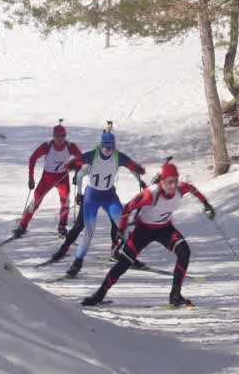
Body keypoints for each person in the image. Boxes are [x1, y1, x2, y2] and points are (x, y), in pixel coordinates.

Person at [82, 162, 215, 308]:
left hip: (165, 229)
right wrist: (121, 229)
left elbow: (192, 189)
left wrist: (206, 203)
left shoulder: (180, 188)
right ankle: (99, 294)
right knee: (124, 263)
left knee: (184, 252)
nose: (172, 186)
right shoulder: (150, 194)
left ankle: (175, 296)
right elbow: (127, 208)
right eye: (169, 182)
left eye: (175, 181)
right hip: (143, 230)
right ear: (162, 182)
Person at [66, 127, 145, 277]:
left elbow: (132, 166)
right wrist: (73, 170)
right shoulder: (92, 155)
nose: (108, 150)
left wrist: (140, 179)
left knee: (124, 226)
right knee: (89, 233)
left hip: (109, 196)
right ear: (101, 145)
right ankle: (77, 263)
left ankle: (131, 257)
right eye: (105, 147)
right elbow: (78, 164)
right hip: (92, 197)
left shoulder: (118, 156)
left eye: (110, 147)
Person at [12, 121, 81, 238]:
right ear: (53, 136)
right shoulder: (47, 146)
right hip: (47, 177)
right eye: (57, 136)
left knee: (65, 202)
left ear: (65, 136)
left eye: (62, 136)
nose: (60, 139)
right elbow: (33, 158)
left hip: (62, 177)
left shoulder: (70, 147)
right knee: (36, 201)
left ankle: (62, 226)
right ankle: (22, 226)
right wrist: (31, 177)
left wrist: (76, 173)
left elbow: (81, 159)